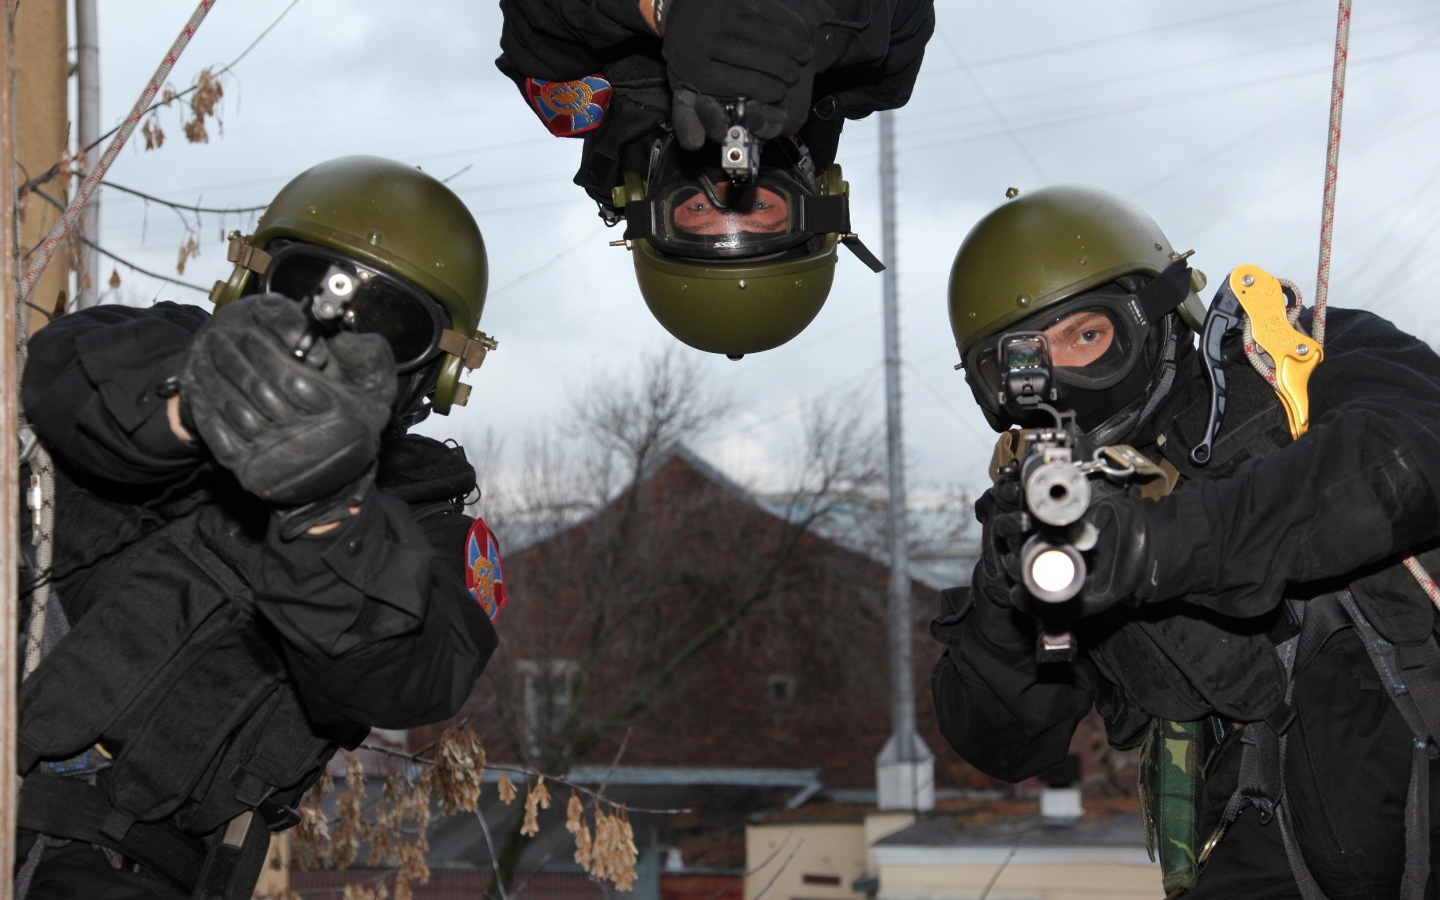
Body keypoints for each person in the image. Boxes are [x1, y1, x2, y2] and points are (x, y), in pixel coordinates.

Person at [14, 155, 505, 900]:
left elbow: (416, 672)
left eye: (388, 326)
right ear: (249, 283)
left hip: (125, 865)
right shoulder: (156, 347)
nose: (335, 330)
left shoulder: (425, 524)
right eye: (306, 286)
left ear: (434, 370)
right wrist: (195, 403)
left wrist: (328, 511)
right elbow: (67, 381)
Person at [930, 183, 1440, 899]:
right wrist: (1007, 598)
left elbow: (1407, 462)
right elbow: (1004, 743)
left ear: (1156, 312)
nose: (1059, 379)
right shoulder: (1042, 513)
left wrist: (1148, 546)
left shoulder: (1295, 361)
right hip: (1256, 841)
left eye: (1086, 336)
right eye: (1022, 363)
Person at [496, 0, 934, 357]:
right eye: (760, 207)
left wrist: (664, 10)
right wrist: (805, 20)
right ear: (815, 192)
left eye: (700, 209)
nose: (727, 186)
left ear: (648, 203)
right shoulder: (876, 70)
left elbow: (535, 17)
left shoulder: (571, 81)